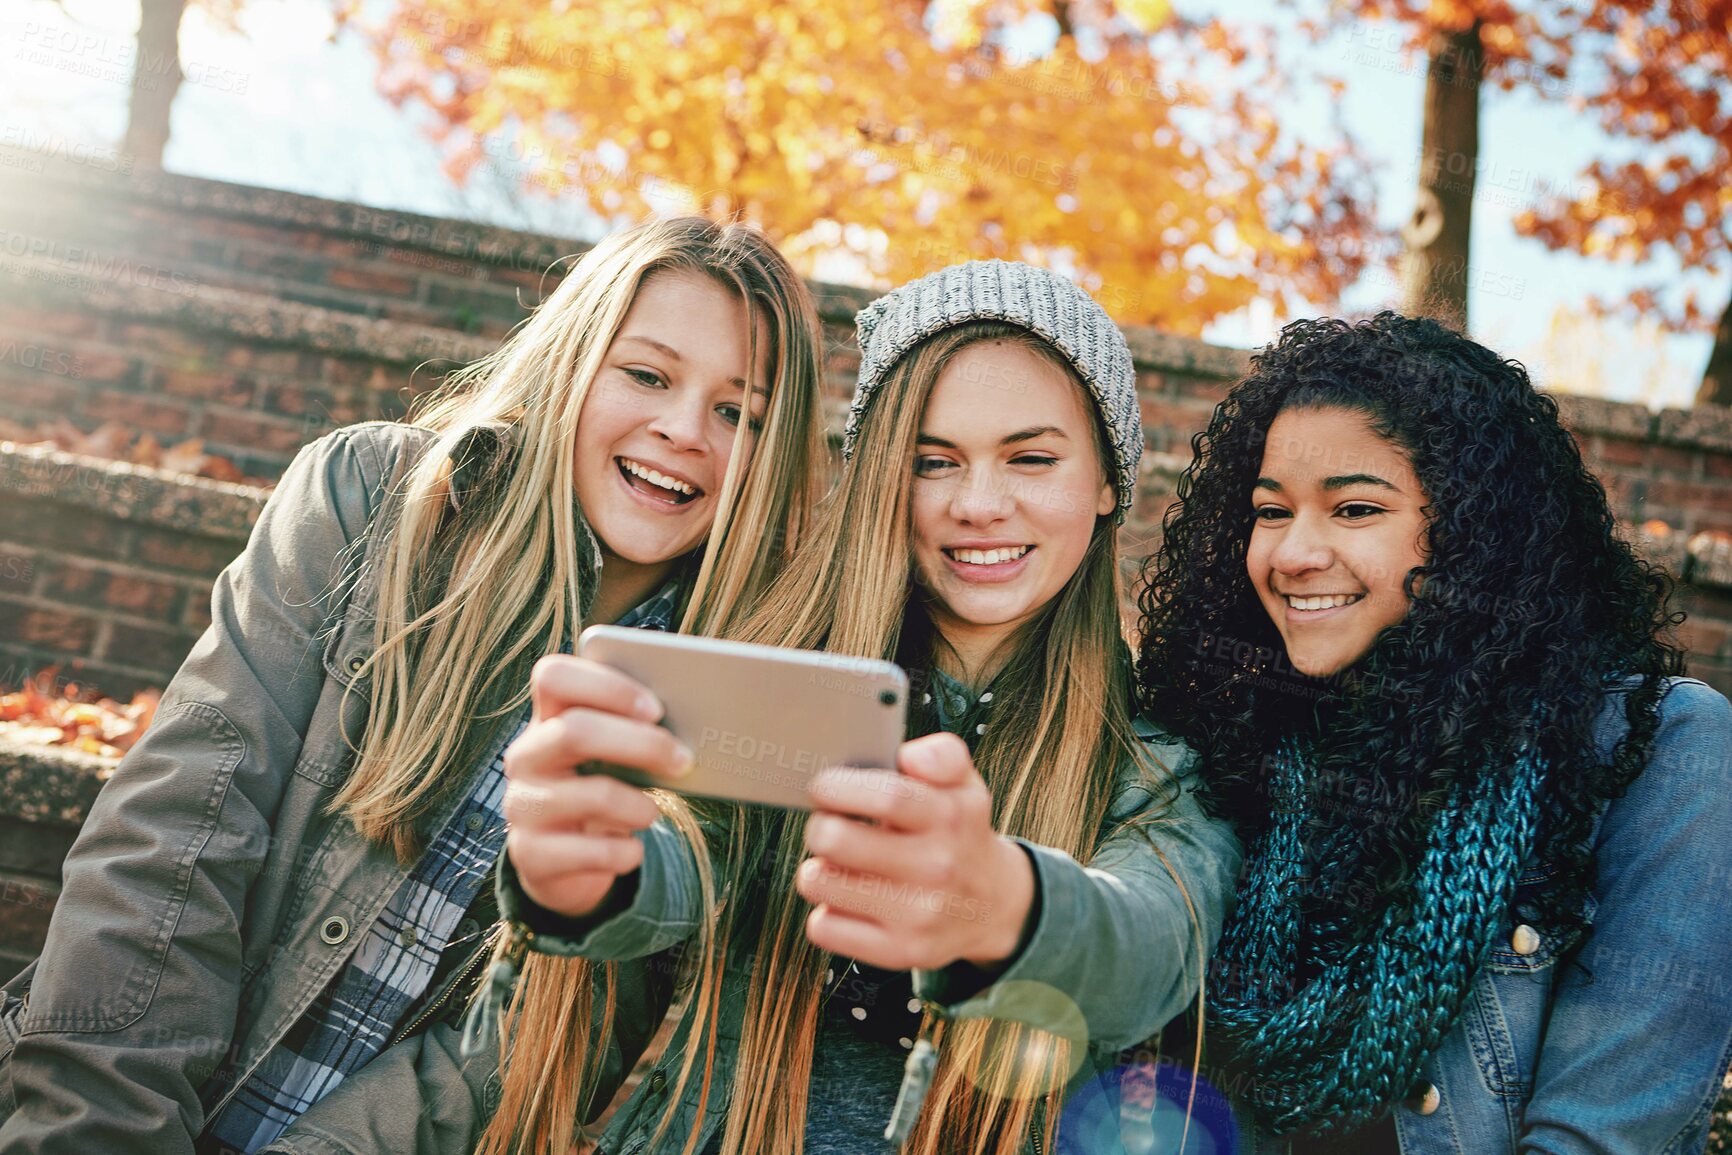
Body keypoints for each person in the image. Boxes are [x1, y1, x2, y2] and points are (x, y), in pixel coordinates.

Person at [0, 215, 828, 1154]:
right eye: (646, 374)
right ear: (571, 363)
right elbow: (174, 833)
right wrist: (103, 1132)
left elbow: (538, 1038)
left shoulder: (735, 696)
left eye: (740, 414)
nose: (684, 431)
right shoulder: (372, 499)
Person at [462, 259, 1243, 1155]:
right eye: (932, 462)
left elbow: (1149, 951)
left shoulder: (1158, 768)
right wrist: (591, 876)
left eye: (1031, 458)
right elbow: (693, 851)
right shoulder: (782, 673)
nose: (979, 504)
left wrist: (1005, 904)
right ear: (880, 479)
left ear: (1108, 483)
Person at [1135, 312, 1732, 1153]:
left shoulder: (1657, 747)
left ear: (1475, 530)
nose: (1294, 552)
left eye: (1353, 508)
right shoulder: (1243, 743)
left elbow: (1606, 1133)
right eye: (1272, 511)